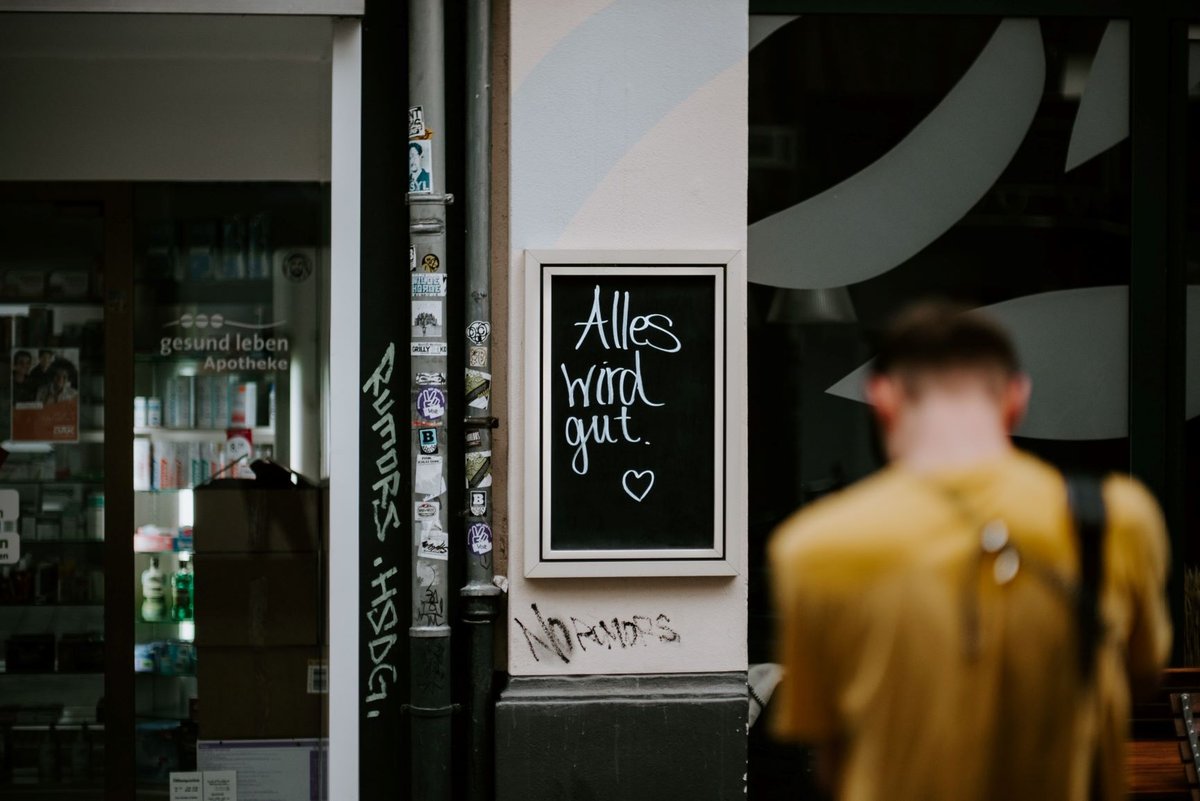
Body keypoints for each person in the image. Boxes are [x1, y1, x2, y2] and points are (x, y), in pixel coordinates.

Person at [769, 302, 1171, 801]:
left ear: (883, 399)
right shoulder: (1116, 520)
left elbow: (831, 755)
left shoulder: (813, 546)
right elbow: (1140, 675)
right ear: (1017, 399)